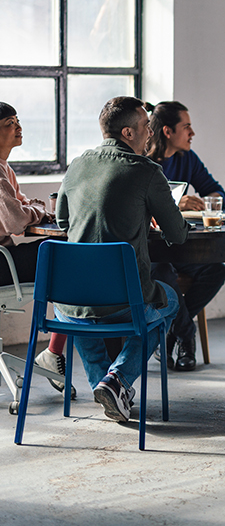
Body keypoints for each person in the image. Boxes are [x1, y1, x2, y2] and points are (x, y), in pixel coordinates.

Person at [53, 97, 190, 422]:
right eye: (146, 127)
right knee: (168, 301)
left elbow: (62, 221)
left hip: (68, 302)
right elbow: (178, 235)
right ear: (128, 132)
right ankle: (117, 381)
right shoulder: (147, 171)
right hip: (122, 300)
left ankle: (108, 387)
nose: (151, 135)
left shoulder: (77, 164)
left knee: (81, 314)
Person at [145, 101, 225, 371]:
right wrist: (174, 204)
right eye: (187, 127)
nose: (192, 133)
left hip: (180, 246)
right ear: (168, 131)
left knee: (215, 271)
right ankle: (186, 336)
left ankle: (170, 331)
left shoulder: (187, 158)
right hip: (151, 252)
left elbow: (218, 193)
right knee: (163, 273)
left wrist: (205, 201)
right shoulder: (142, 160)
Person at [0, 102, 74, 396]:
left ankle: (54, 347)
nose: (19, 128)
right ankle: (54, 350)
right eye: (9, 123)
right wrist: (40, 210)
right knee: (70, 251)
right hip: (2, 264)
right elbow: (17, 219)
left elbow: (21, 208)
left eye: (18, 121)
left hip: (5, 256)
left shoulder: (5, 167)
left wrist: (34, 209)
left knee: (64, 254)